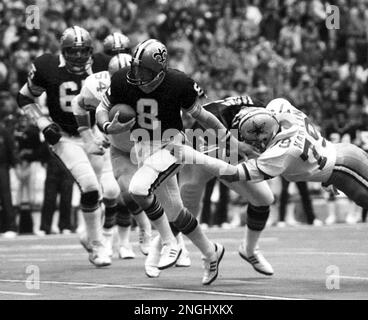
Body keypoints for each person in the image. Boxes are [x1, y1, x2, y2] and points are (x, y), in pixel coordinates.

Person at [95, 39, 249, 285]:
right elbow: (102, 109)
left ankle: (169, 244)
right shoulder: (123, 79)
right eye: (136, 67)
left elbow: (203, 116)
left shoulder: (178, 83)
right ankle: (211, 252)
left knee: (138, 188)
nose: (137, 74)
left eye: (143, 70)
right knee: (177, 213)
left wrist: (229, 140)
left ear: (159, 71)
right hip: (143, 147)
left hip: (171, 146)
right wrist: (106, 125)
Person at [17, 26, 111, 267]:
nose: (79, 56)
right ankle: (98, 245)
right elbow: (24, 97)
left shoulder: (102, 64)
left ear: (91, 50)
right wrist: (42, 122)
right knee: (90, 187)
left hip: (94, 134)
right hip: (65, 137)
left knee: (104, 192)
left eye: (83, 51)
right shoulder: (47, 66)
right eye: (73, 51)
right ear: (63, 51)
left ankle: (86, 233)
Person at [175, 98, 368, 214]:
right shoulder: (279, 107)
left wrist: (195, 156)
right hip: (342, 154)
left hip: (343, 168)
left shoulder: (281, 152)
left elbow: (232, 174)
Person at [178, 95, 275, 278]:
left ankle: (249, 249)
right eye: (253, 137)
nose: (258, 141)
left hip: (231, 150)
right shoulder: (211, 119)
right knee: (185, 207)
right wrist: (236, 148)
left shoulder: (263, 114)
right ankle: (170, 245)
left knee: (264, 199)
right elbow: (214, 159)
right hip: (201, 151)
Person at [71, 52, 152, 259]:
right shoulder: (96, 87)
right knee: (125, 190)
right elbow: (78, 104)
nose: (128, 83)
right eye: (121, 78)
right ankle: (138, 230)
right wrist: (89, 134)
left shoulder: (151, 87)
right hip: (119, 146)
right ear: (110, 77)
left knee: (155, 192)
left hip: (148, 142)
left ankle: (171, 241)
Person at [0, 120, 17, 238]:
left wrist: (15, 164)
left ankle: (11, 227)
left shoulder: (3, 131)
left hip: (2, 167)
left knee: (6, 197)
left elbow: (11, 148)